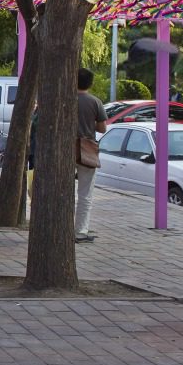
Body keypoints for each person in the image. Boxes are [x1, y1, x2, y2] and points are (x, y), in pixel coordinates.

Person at [76, 67, 106, 243]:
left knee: (63, 191)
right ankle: (80, 231)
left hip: (65, 148)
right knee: (85, 193)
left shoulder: (65, 99)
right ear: (90, 83)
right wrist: (89, 123)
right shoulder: (95, 102)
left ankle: (62, 227)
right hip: (87, 148)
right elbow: (102, 128)